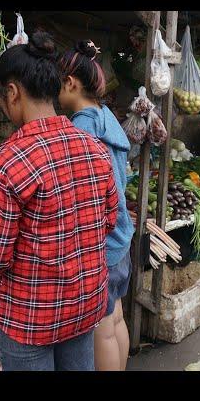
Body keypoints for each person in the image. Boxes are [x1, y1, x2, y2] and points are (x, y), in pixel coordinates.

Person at [0, 32, 119, 371]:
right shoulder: (94, 147)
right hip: (84, 304)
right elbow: (107, 221)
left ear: (12, 93)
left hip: (31, 317)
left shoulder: (7, 162)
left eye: (2, 98)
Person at [58, 40, 135, 371]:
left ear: (71, 83)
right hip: (121, 239)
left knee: (100, 331)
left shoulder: (82, 128)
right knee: (115, 317)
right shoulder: (108, 118)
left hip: (101, 245)